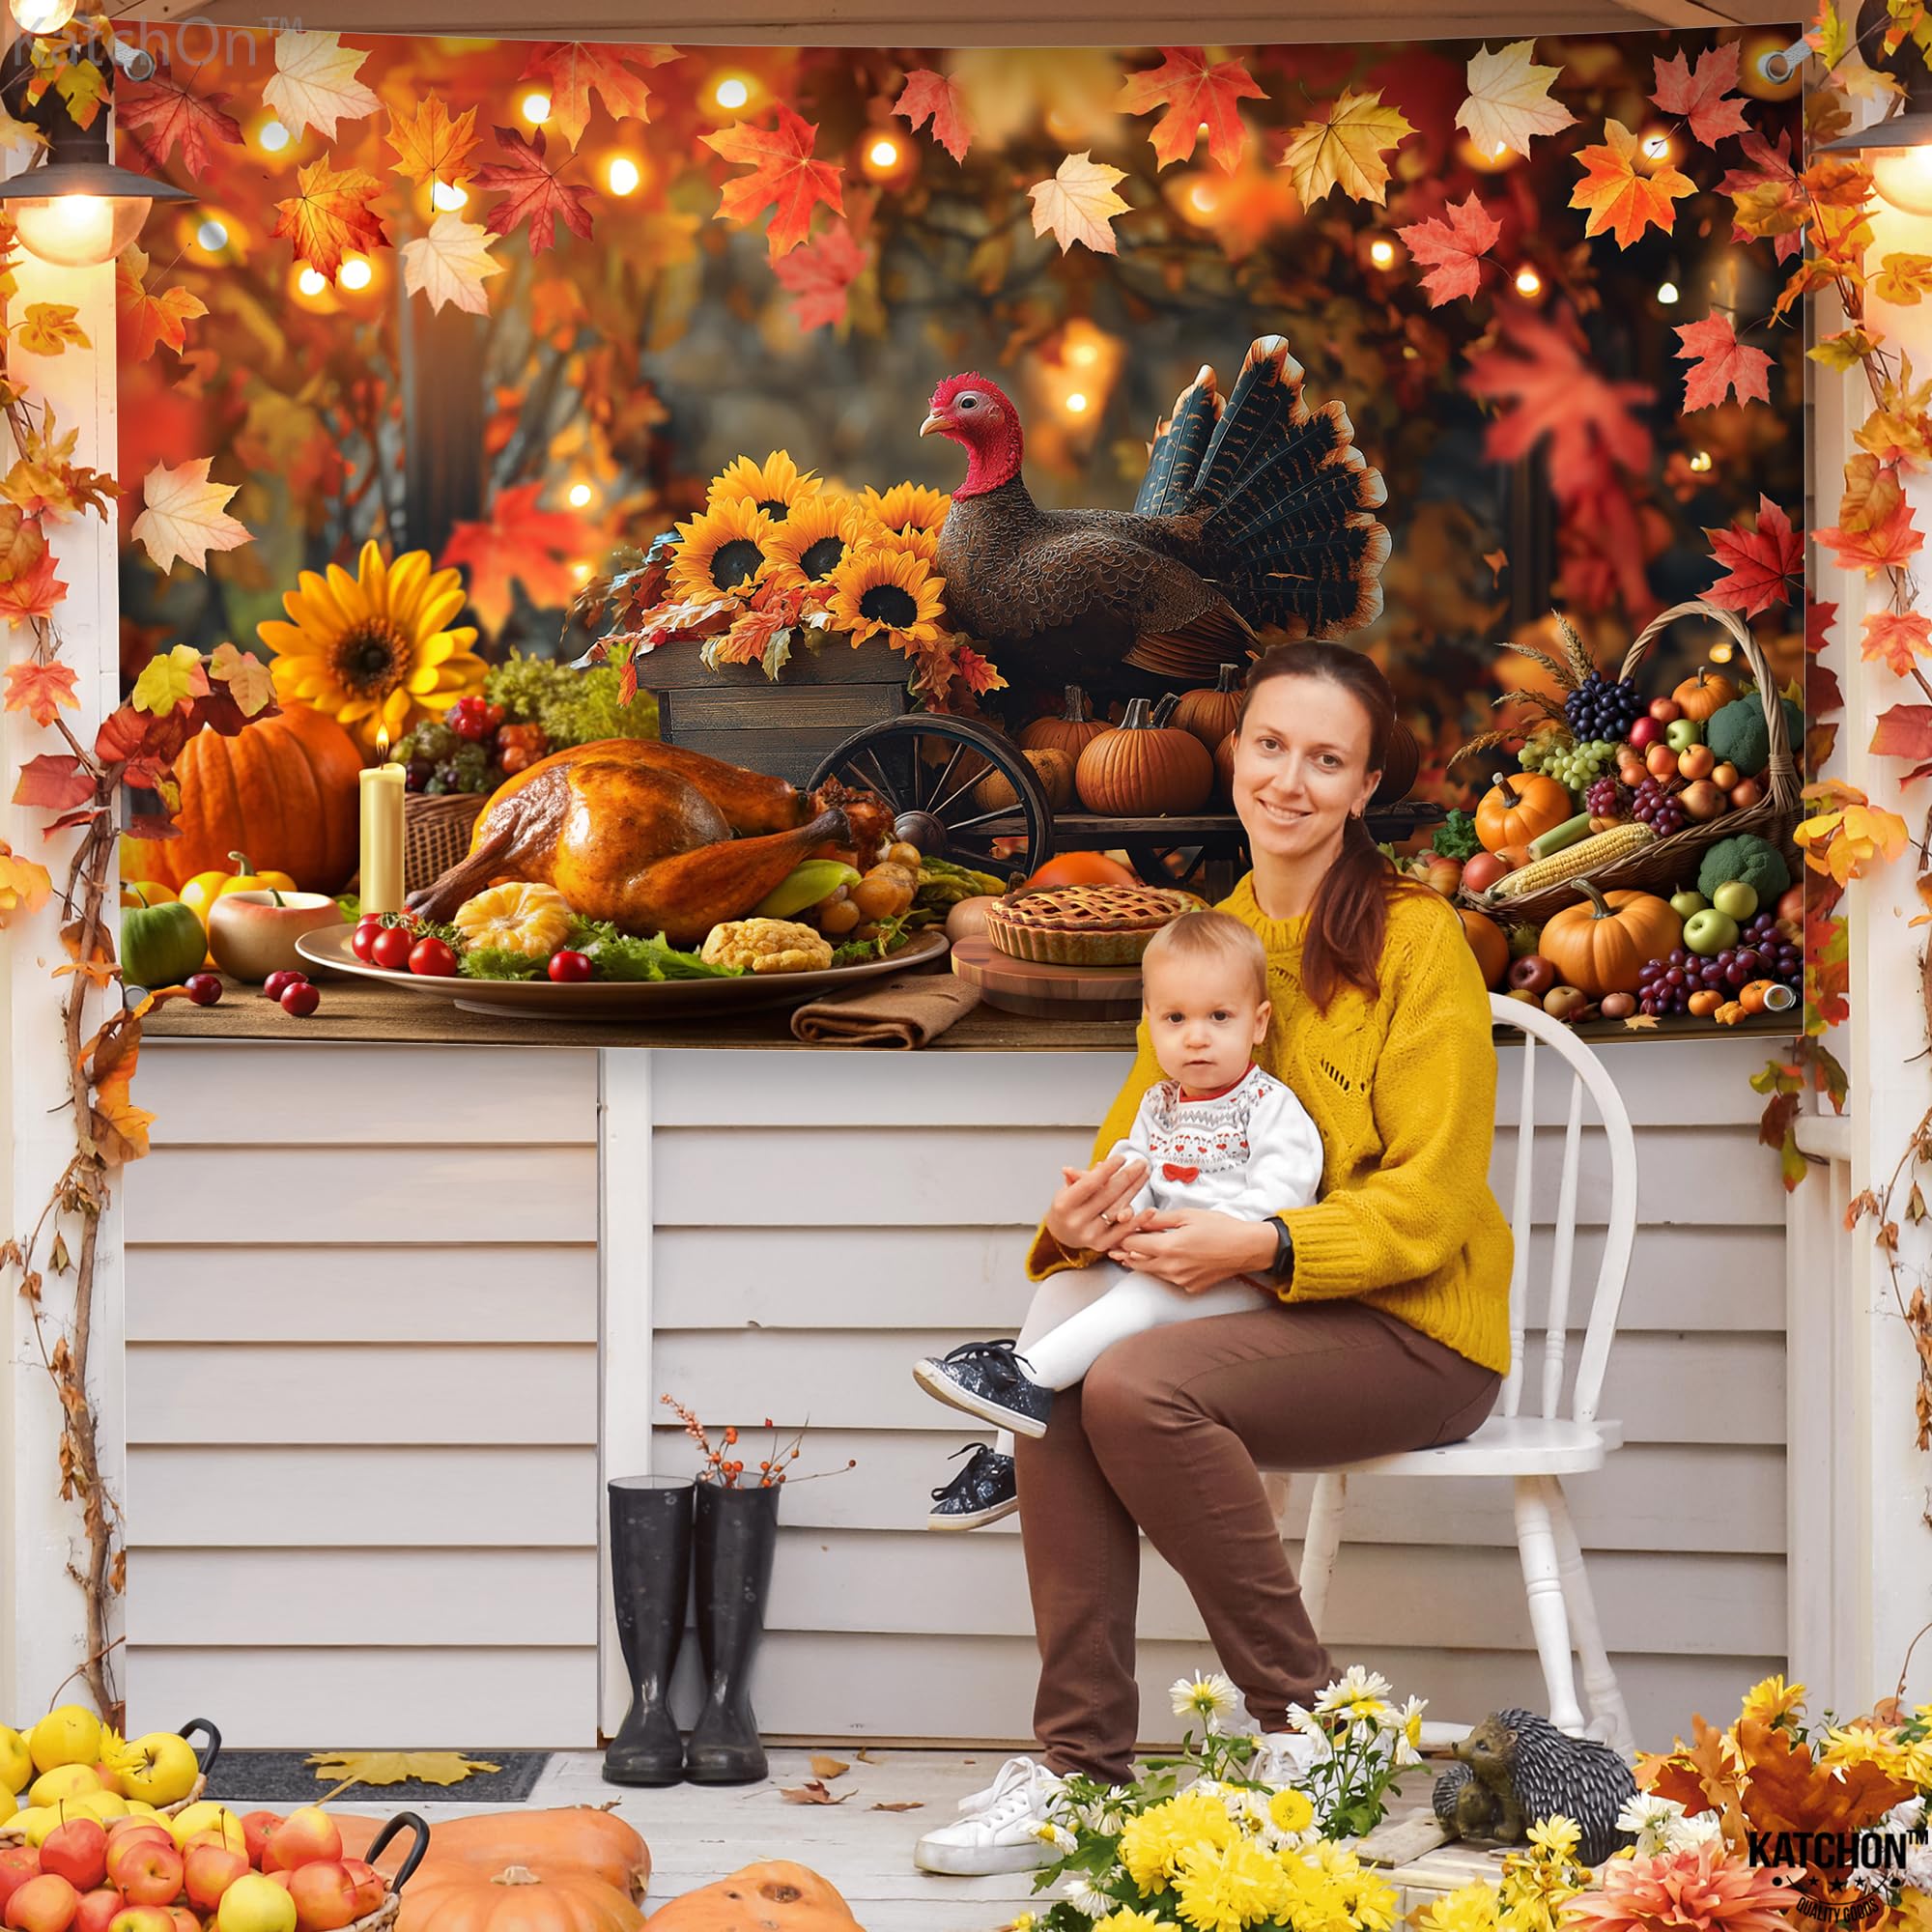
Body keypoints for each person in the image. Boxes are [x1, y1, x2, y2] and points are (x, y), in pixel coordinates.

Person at [913, 641, 1514, 1878]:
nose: (1289, 779)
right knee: (1061, 1367)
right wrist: (1083, 1224)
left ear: (1362, 786)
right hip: (1256, 1311)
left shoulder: (1415, 942)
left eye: (1326, 758)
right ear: (1233, 752)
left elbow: (1436, 1197)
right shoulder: (1209, 946)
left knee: (1133, 1380)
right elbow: (1131, 1144)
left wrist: (1267, 1238)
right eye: (1270, 745)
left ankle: (1307, 1725)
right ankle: (1080, 1769)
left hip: (1417, 1330)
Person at [916, 910, 1323, 1508]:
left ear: (1258, 1024)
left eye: (1219, 1017)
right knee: (1062, 1288)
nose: (1197, 1036)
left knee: (1144, 1297)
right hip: (1163, 1258)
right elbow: (1137, 1171)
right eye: (1176, 1018)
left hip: (1243, 1278)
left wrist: (1214, 1234)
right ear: (1151, 1024)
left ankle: (1026, 1381)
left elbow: (1284, 1192)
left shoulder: (1267, 1106)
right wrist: (1114, 1205)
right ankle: (1006, 1458)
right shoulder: (1159, 1105)